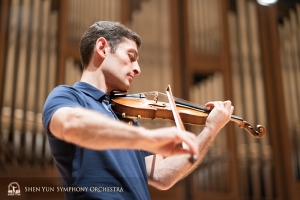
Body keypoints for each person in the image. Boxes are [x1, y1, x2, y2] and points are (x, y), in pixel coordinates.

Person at [42, 21, 234, 200]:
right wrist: (147, 138)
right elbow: (70, 124)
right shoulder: (67, 96)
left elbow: (162, 175)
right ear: (102, 48)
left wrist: (210, 130)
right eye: (131, 57)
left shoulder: (125, 117)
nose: (138, 69)